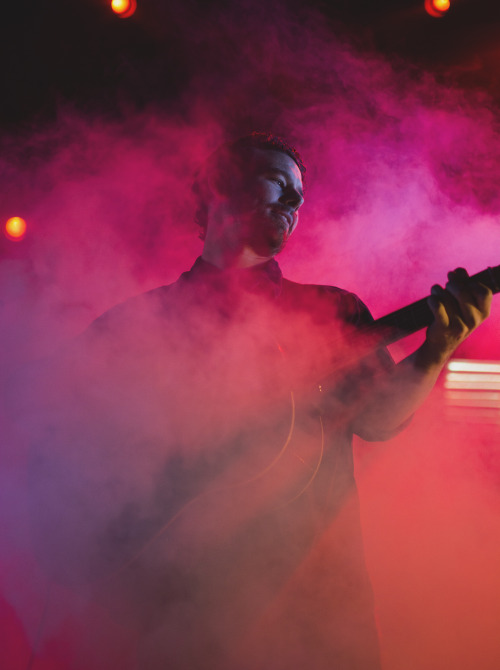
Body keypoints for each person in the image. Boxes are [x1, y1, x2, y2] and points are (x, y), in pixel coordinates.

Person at [20, 133, 492, 669]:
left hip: (316, 617)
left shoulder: (332, 312)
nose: (295, 203)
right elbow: (51, 452)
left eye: (300, 193)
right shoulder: (134, 328)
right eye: (278, 184)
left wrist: (438, 349)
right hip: (170, 625)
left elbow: (382, 418)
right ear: (219, 187)